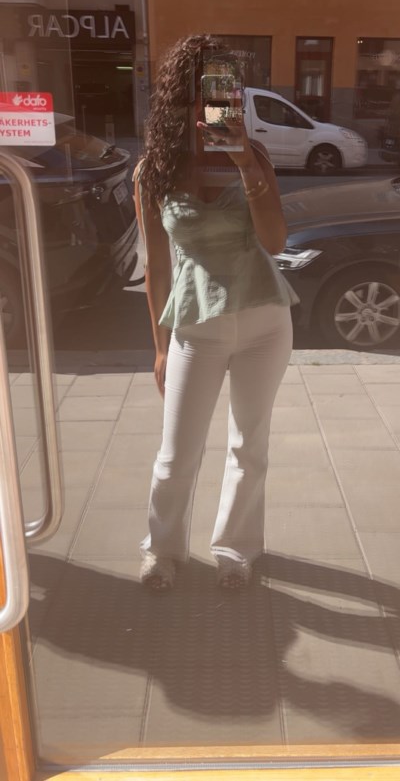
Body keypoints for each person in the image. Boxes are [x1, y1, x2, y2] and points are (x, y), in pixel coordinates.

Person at [134, 34, 298, 592]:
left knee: (249, 446)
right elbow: (156, 266)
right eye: (201, 92)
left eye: (224, 91)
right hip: (194, 330)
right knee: (175, 453)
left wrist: (245, 162)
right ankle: (161, 551)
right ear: (177, 101)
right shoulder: (153, 172)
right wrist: (160, 347)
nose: (213, 105)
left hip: (264, 324)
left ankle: (235, 551)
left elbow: (274, 242)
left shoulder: (255, 158)